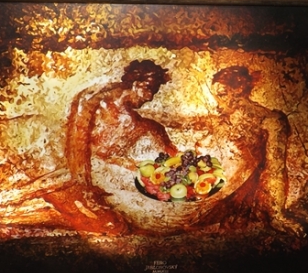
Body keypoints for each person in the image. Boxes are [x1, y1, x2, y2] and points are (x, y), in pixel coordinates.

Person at [43, 60, 176, 234]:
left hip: (106, 174)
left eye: (154, 91)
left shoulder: (136, 121)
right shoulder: (93, 99)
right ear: (136, 83)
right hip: (81, 175)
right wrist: (84, 187)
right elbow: (77, 144)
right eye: (148, 89)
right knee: (116, 226)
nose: (149, 97)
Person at [197, 66, 294, 232]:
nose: (218, 105)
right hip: (206, 187)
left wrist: (277, 215)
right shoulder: (223, 118)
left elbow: (275, 170)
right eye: (216, 97)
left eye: (222, 95)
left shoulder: (271, 122)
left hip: (234, 195)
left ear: (240, 89)